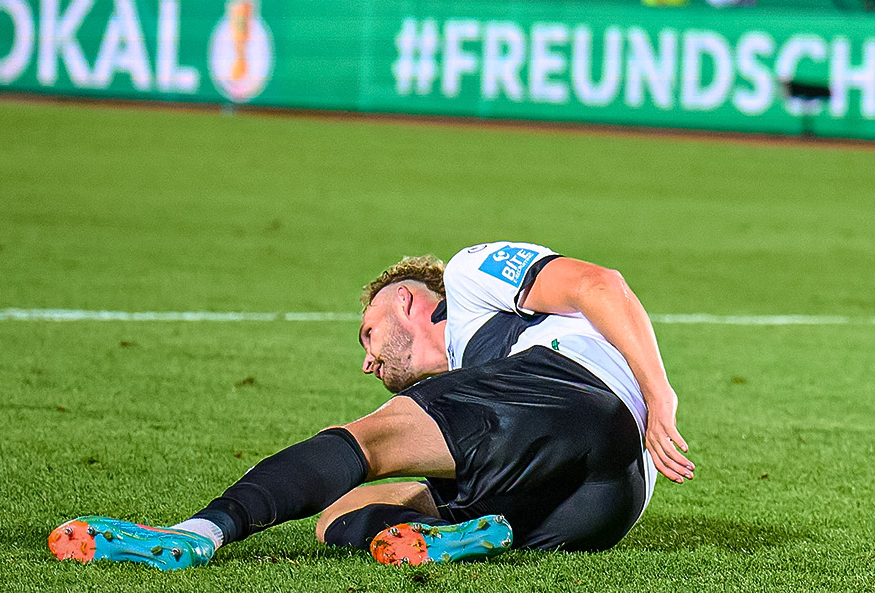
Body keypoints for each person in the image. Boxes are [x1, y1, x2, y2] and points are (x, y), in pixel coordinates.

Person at [49, 242, 693, 569]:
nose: (366, 360)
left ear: (406, 303)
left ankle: (198, 533)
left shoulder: (470, 280)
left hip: (566, 394)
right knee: (339, 514)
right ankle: (453, 539)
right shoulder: (474, 376)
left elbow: (599, 284)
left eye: (367, 332)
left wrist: (660, 393)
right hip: (607, 504)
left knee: (368, 443)